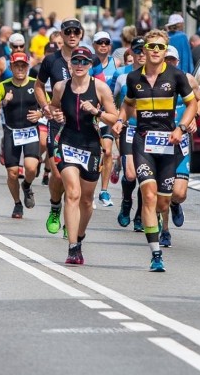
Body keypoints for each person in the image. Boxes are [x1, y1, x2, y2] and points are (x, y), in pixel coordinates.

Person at [119, 30, 196, 272]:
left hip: (168, 144)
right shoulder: (133, 78)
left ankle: (170, 208)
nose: (155, 51)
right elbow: (128, 104)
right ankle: (156, 254)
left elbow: (193, 103)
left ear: (165, 51)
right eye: (151, 46)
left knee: (163, 202)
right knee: (149, 197)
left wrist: (182, 127)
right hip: (142, 143)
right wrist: (120, 121)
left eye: (160, 47)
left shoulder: (176, 75)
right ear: (144, 50)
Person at [49, 46, 118, 264]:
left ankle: (79, 238)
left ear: (90, 65)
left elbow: (113, 118)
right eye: (76, 61)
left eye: (84, 62)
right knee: (73, 193)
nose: (79, 66)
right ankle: (71, 248)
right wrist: (55, 114)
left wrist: (96, 111)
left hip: (91, 146)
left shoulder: (101, 88)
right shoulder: (61, 86)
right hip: (67, 143)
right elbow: (53, 107)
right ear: (70, 64)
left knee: (87, 201)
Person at [35, 18, 84, 236]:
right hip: (58, 124)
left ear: (81, 34)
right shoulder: (51, 61)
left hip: (82, 127)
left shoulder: (87, 58)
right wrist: (46, 106)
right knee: (58, 174)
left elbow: (100, 86)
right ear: (61, 35)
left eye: (76, 31)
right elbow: (38, 85)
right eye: (68, 32)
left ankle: (70, 221)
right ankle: (56, 208)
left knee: (77, 179)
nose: (72, 35)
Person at [0, 51, 44, 218]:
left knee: (31, 168)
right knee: (12, 172)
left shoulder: (35, 84)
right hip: (11, 132)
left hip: (31, 131)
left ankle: (27, 185)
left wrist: (41, 113)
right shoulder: (2, 86)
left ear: (28, 67)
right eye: (16, 65)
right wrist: (3, 102)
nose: (20, 68)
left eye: (23, 65)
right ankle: (17, 204)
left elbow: (49, 106)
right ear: (11, 67)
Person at [158, 45, 200, 249]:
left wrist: (193, 117)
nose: (168, 63)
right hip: (159, 142)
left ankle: (177, 205)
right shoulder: (152, 80)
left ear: (177, 61)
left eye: (172, 60)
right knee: (164, 191)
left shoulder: (187, 79)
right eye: (165, 59)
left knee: (179, 193)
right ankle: (164, 231)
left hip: (181, 140)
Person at [111, 37, 147, 231]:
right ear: (131, 53)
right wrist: (115, 117)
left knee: (144, 176)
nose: (141, 54)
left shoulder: (154, 75)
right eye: (137, 50)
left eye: (144, 50)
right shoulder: (121, 75)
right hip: (128, 129)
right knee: (131, 175)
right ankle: (126, 202)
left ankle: (140, 215)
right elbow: (110, 96)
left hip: (148, 131)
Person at [89, 30, 121, 207]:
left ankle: (104, 190)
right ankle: (90, 191)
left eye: (106, 43)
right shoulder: (87, 63)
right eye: (100, 42)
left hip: (108, 114)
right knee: (95, 152)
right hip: (91, 113)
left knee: (108, 151)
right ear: (94, 45)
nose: (103, 45)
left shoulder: (116, 63)